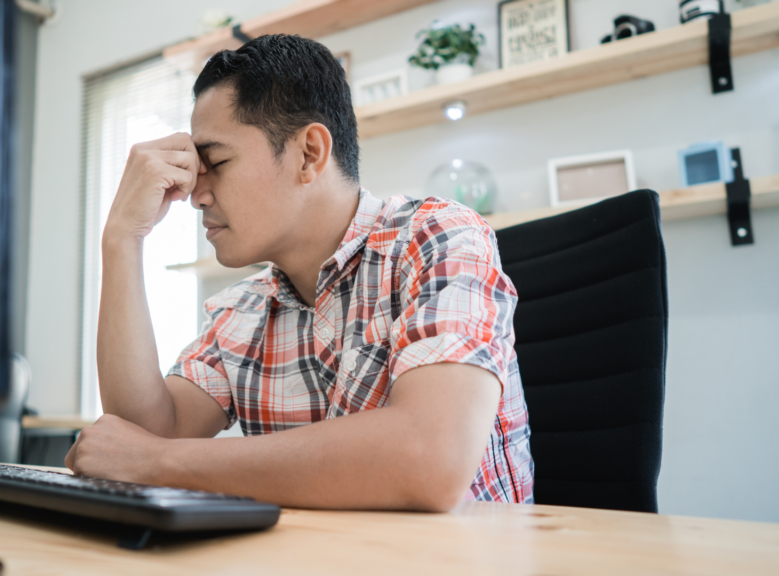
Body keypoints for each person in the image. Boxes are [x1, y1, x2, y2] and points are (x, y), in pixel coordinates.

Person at [64, 34, 533, 512]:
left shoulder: (438, 236)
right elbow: (137, 443)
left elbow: (431, 457)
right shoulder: (240, 310)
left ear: (310, 153)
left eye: (218, 163)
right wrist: (122, 238)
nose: (195, 195)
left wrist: (161, 461)